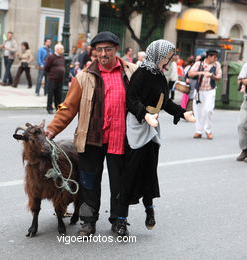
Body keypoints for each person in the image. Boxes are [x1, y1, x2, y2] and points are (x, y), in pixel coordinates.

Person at [45, 31, 138, 236]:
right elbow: (68, 108)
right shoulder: (83, 77)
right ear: (94, 52)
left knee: (120, 183)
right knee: (89, 183)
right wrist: (51, 130)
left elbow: (146, 100)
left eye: (108, 49)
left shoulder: (132, 72)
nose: (103, 54)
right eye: (99, 50)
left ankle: (119, 221)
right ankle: (88, 222)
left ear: (116, 50)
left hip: (121, 139)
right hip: (91, 139)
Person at [115, 40, 196, 236]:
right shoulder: (141, 75)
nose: (168, 61)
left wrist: (182, 112)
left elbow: (165, 102)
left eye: (169, 58)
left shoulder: (159, 76)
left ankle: (149, 209)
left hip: (152, 127)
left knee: (149, 171)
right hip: (138, 126)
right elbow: (131, 100)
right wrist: (145, 115)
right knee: (131, 173)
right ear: (157, 56)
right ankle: (121, 220)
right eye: (166, 58)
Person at [188, 49, 222, 140]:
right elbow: (190, 73)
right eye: (214, 57)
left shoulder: (217, 65)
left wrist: (212, 76)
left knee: (208, 110)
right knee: (198, 111)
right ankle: (198, 131)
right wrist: (202, 73)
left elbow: (219, 77)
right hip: (199, 90)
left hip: (210, 90)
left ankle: (208, 131)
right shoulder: (199, 64)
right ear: (209, 56)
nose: (216, 59)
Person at [44, 43, 65, 114]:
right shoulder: (51, 57)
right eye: (62, 49)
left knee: (58, 94)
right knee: (51, 94)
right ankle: (49, 108)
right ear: (57, 50)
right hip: (52, 79)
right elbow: (46, 67)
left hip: (60, 79)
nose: (63, 50)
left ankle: (58, 107)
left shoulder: (62, 57)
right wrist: (52, 74)